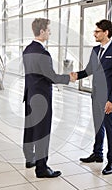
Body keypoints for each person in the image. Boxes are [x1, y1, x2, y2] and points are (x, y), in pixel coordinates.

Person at [23, 18, 75, 178]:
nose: (50, 32)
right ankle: (41, 168)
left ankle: (29, 158)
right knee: (42, 132)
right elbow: (51, 77)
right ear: (42, 31)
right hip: (42, 99)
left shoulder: (27, 50)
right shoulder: (42, 52)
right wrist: (68, 78)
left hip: (30, 94)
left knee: (30, 128)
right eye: (49, 30)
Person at [71, 19, 112, 175]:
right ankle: (97, 154)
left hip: (108, 98)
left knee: (110, 128)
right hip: (96, 95)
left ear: (106, 32)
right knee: (97, 126)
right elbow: (89, 70)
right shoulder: (95, 50)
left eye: (97, 31)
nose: (94, 34)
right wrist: (76, 75)